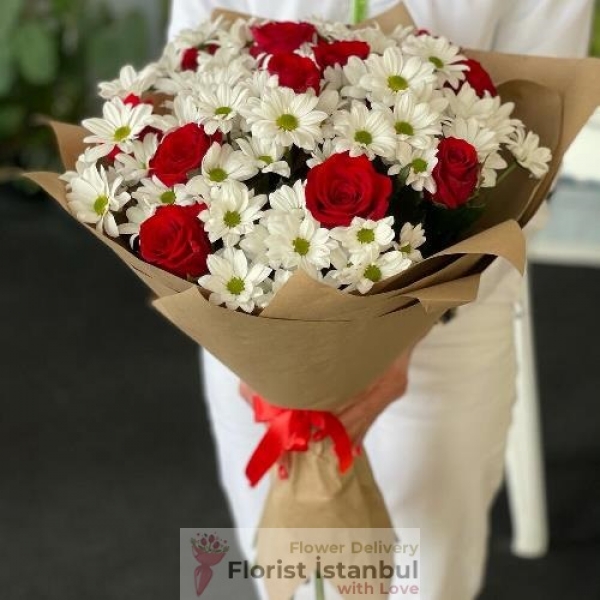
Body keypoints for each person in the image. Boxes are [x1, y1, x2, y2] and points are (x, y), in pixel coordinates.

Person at [168, 1, 594, 599]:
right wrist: (256, 334)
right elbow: (182, 86)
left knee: (427, 574)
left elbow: (535, 151)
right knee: (275, 572)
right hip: (246, 318)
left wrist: (404, 330)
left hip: (448, 320)